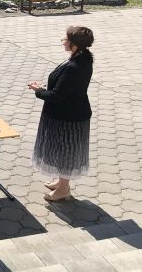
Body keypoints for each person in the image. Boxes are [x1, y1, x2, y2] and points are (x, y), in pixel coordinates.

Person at [28, 26, 94, 202]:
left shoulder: (74, 66)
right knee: (62, 149)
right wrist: (46, 88)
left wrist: (38, 91)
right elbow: (66, 88)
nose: (63, 41)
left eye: (66, 39)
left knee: (65, 152)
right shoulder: (82, 58)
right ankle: (61, 181)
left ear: (74, 44)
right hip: (70, 112)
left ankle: (64, 190)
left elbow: (57, 96)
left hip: (68, 117)